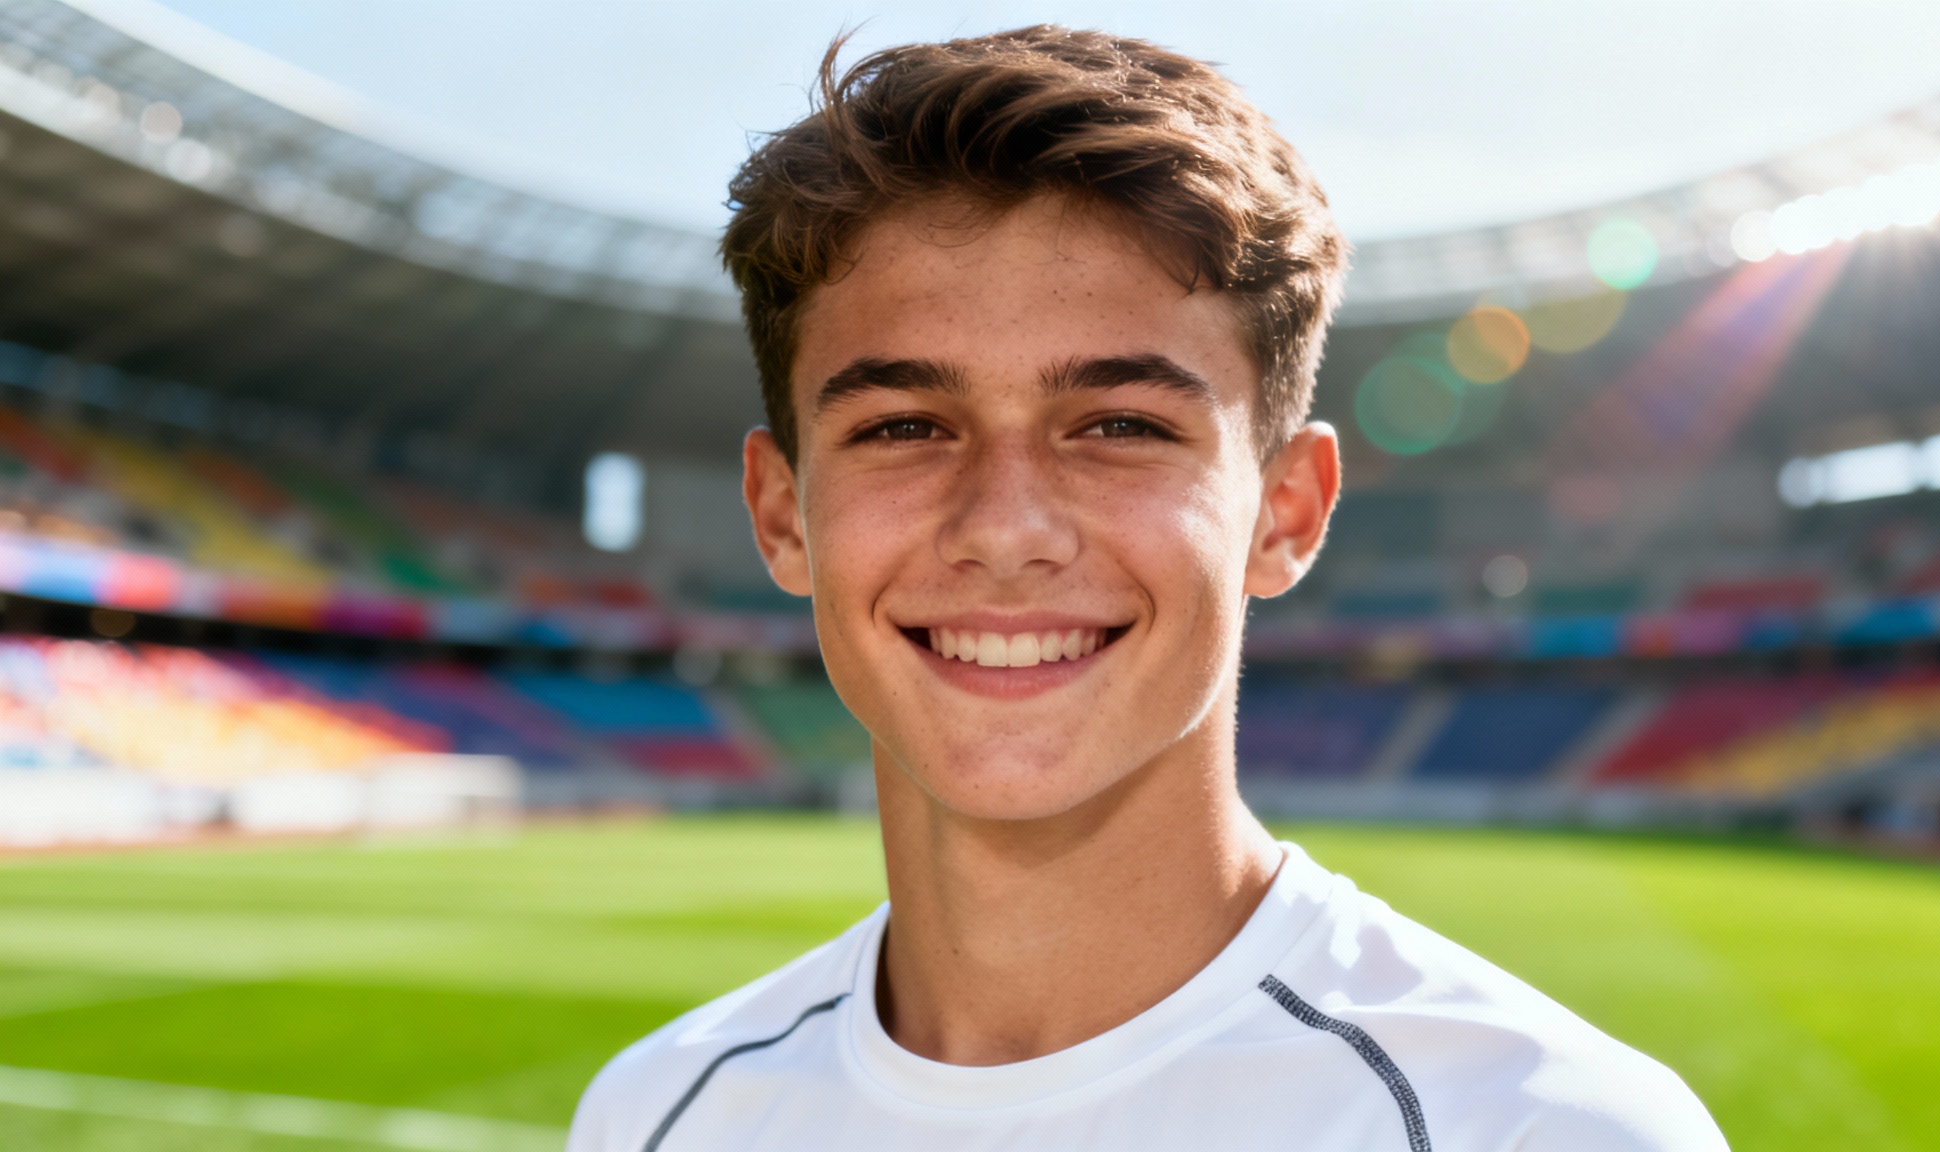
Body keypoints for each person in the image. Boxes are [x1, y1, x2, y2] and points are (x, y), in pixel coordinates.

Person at [570, 26, 1726, 1151]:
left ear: (1286, 512)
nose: (1005, 530)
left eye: (1120, 424)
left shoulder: (1542, 1129)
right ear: (782, 515)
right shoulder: (655, 1115)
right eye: (905, 425)